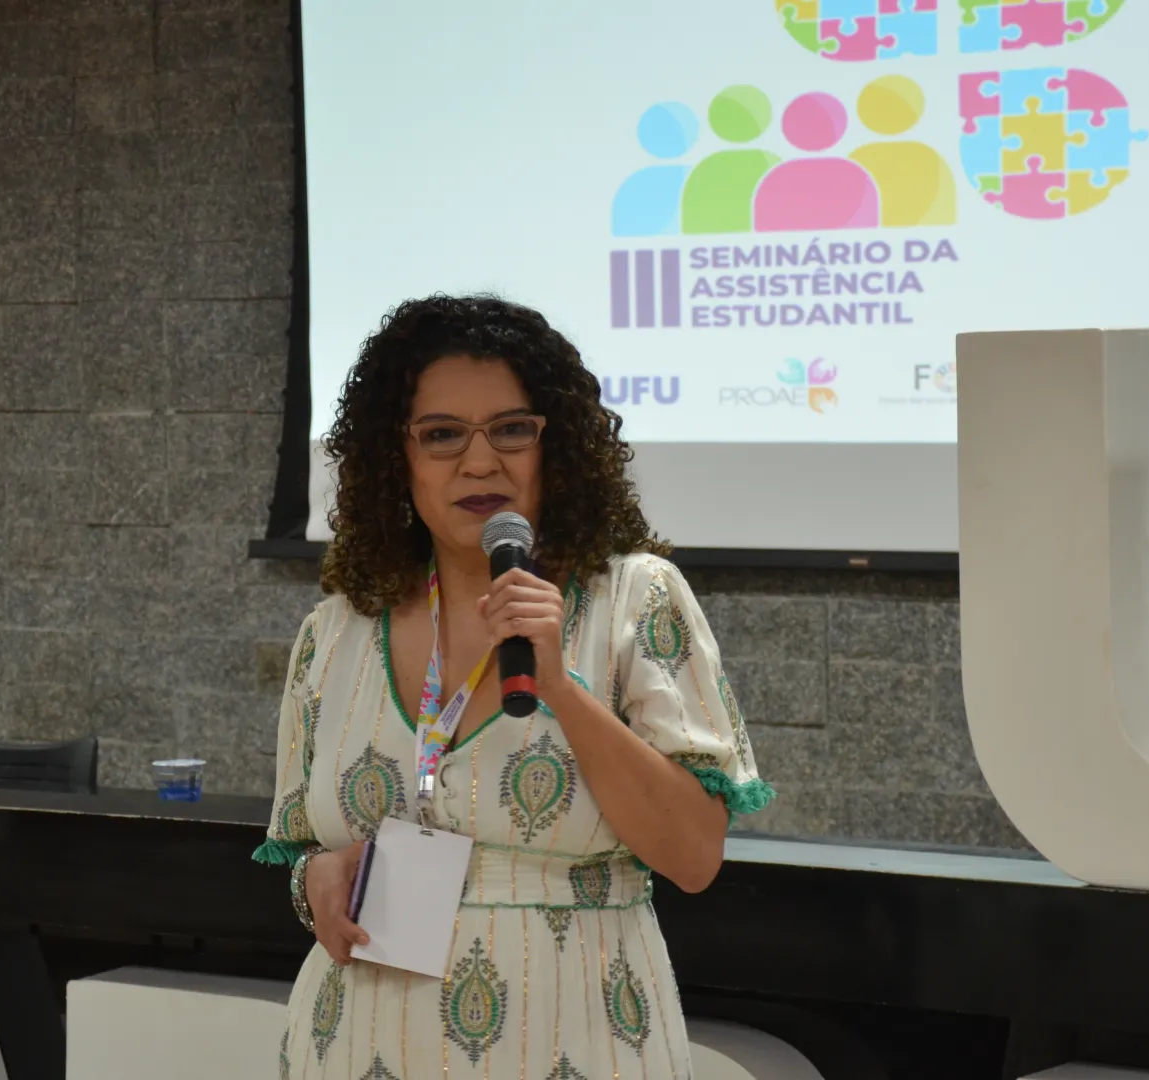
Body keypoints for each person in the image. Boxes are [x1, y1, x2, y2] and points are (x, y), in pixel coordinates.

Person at [253, 294, 774, 1080]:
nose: (479, 462)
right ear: (396, 457)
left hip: (578, 1038)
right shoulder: (335, 631)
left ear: (554, 447)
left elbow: (694, 857)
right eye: (441, 435)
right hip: (359, 1042)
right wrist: (314, 880)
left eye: (511, 430)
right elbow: (306, 850)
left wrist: (559, 684)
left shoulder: (636, 597)